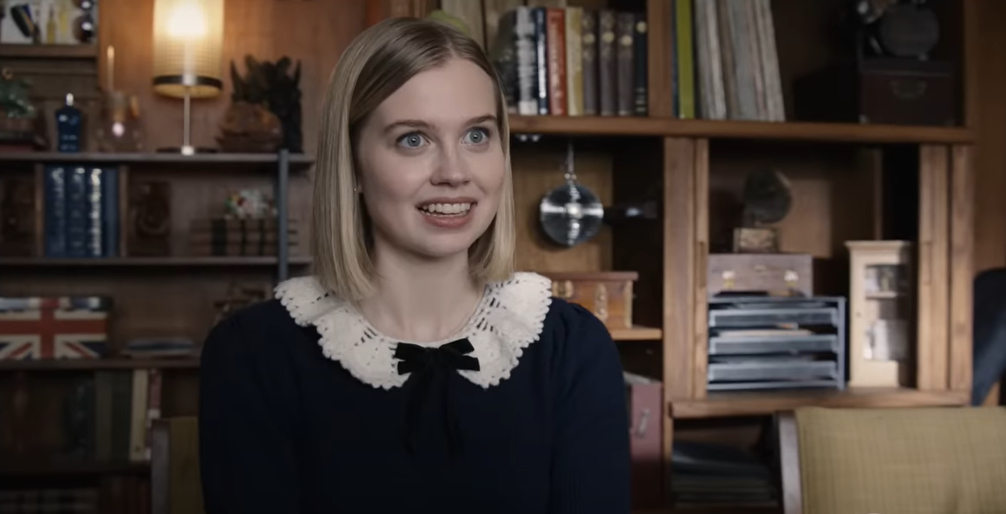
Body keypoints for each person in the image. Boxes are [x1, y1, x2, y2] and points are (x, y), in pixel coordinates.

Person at [198, 16, 631, 514]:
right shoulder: (254, 355)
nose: (454, 173)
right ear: (353, 164)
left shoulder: (572, 349)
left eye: (476, 136)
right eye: (413, 139)